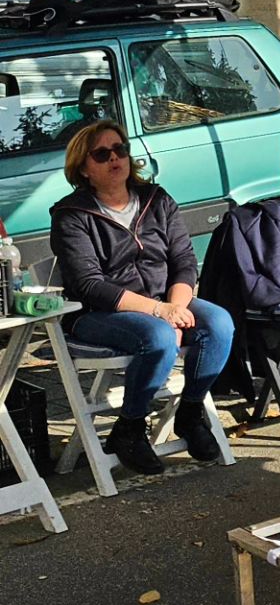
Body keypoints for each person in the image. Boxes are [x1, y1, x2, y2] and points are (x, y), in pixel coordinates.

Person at [50, 120, 233, 475]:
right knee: (158, 336)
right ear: (83, 168)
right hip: (99, 313)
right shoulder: (71, 215)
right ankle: (130, 427)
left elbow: (183, 261)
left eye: (120, 149)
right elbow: (90, 285)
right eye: (102, 154)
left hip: (164, 299)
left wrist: (176, 307)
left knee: (220, 324)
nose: (115, 159)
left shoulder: (157, 200)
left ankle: (191, 413)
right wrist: (160, 312)